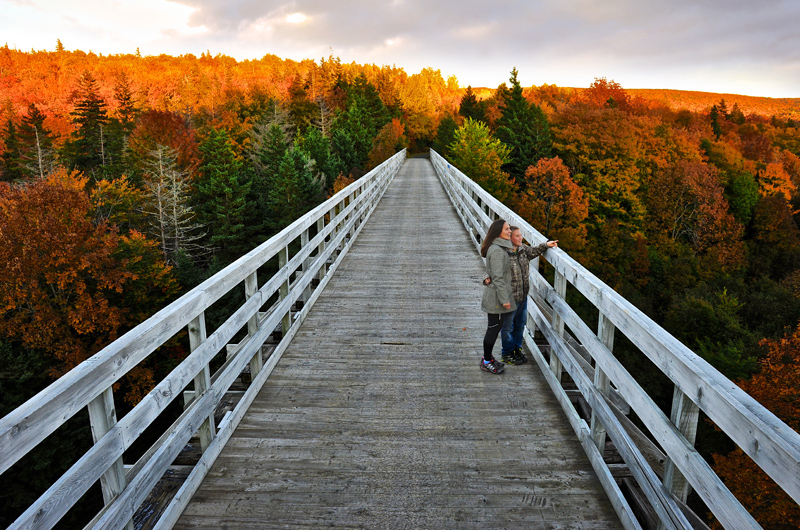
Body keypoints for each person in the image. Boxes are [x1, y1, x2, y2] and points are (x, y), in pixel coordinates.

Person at [503, 226, 558, 364]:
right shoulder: (503, 253)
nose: (520, 238)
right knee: (508, 327)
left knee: (520, 324)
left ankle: (516, 349)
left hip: (523, 295)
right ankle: (507, 352)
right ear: (509, 238)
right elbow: (494, 271)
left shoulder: (523, 249)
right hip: (510, 297)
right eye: (517, 236)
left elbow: (534, 251)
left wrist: (546, 245)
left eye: (520, 235)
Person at [479, 219, 515, 374]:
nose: (510, 231)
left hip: (495, 295)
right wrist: (504, 299)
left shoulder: (499, 248)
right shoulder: (498, 251)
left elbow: (492, 271)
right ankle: (486, 361)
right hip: (496, 298)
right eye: (507, 229)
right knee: (493, 329)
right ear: (498, 232)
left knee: (496, 327)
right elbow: (498, 277)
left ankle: (488, 358)